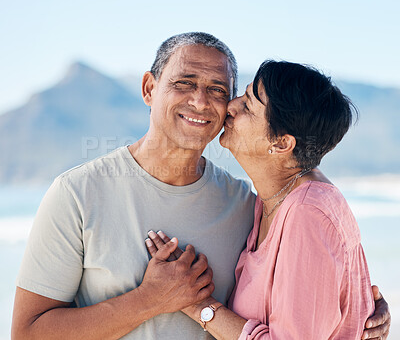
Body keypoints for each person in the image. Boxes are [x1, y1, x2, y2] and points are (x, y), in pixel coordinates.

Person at [12, 33, 389, 339]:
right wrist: (149, 300)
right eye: (184, 83)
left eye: (219, 90)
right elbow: (26, 332)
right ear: (148, 88)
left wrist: (357, 311)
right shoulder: (76, 194)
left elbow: (312, 212)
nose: (201, 101)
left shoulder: (247, 206)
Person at [146, 60, 391, 339]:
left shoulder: (307, 212)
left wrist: (196, 304)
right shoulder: (274, 197)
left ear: (281, 144)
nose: (231, 106)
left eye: (248, 106)